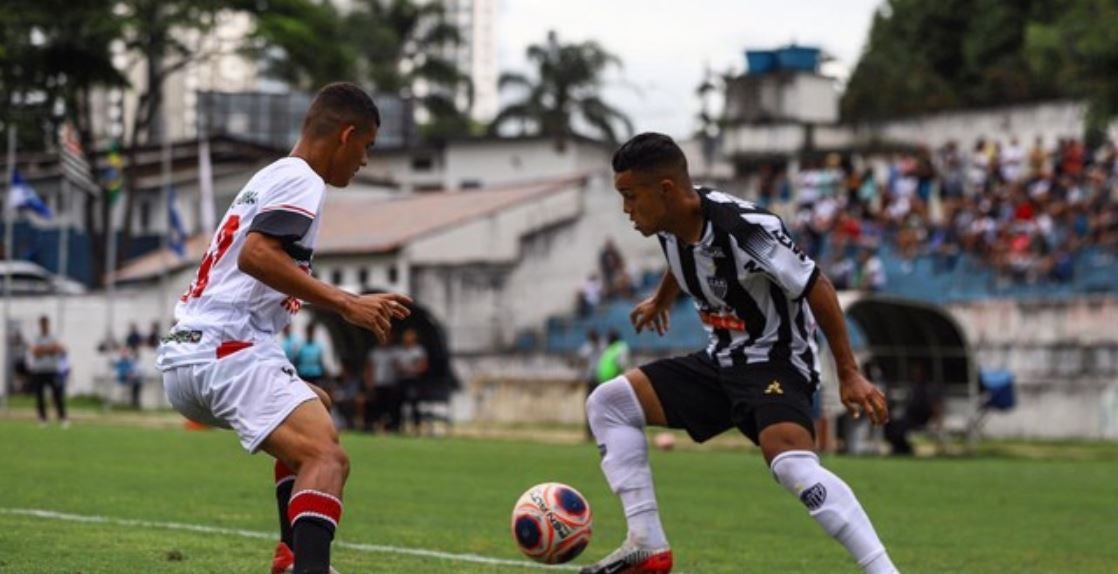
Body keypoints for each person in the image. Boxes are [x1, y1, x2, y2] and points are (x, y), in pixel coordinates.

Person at [579, 133, 897, 574]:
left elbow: (816, 283)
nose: (626, 209)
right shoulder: (669, 222)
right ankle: (647, 545)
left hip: (777, 359)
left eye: (631, 197)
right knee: (609, 404)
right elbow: (685, 256)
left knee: (791, 466)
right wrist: (661, 299)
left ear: (666, 190)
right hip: (720, 360)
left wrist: (850, 373)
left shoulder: (746, 231)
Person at [155, 82, 412, 574]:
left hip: (190, 355)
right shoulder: (303, 181)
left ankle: (290, 556)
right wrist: (346, 303)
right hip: (223, 354)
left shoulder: (274, 174)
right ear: (347, 135)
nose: (364, 161)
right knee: (327, 459)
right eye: (368, 148)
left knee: (316, 405)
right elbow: (257, 256)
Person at [28, 315, 68, 428]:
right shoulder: (36, 338)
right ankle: (42, 419)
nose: (44, 326)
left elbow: (58, 349)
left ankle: (62, 418)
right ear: (40, 325)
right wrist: (49, 349)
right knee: (40, 396)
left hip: (52, 370)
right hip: (39, 371)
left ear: (48, 324)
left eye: (46, 324)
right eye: (42, 324)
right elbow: (35, 352)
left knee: (57, 395)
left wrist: (43, 349)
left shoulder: (54, 336)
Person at [395, 328, 429, 433]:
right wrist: (405, 369)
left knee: (414, 402)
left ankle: (416, 426)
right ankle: (398, 426)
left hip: (414, 380)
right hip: (402, 379)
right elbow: (396, 366)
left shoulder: (419, 350)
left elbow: (423, 366)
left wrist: (412, 369)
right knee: (398, 403)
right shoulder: (399, 351)